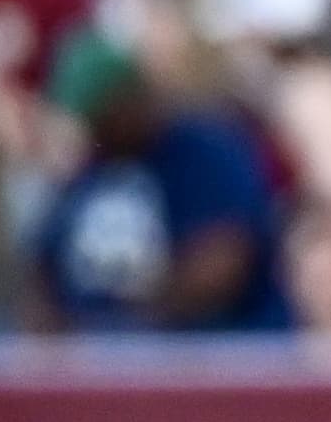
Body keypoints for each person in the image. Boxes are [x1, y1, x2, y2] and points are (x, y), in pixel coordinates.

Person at [26, 28, 290, 332]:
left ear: (129, 98)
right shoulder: (94, 164)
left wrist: (134, 326)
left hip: (203, 352)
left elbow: (225, 258)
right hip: (92, 358)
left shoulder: (208, 149)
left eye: (105, 115)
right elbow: (43, 264)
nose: (98, 128)